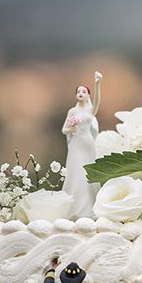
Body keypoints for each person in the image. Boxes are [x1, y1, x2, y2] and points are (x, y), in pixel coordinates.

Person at [62, 71, 103, 218]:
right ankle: (76, 208)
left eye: (84, 91)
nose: (80, 93)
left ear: (87, 95)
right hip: (76, 144)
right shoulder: (72, 111)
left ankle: (91, 205)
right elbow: (64, 129)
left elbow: (97, 101)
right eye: (78, 91)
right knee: (77, 173)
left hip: (88, 143)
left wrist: (97, 83)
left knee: (88, 173)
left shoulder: (90, 111)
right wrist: (71, 129)